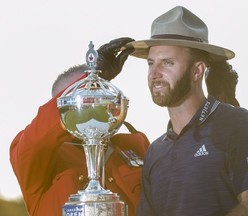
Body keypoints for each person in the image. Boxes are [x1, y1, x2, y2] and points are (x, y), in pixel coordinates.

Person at [122, 5, 248, 215]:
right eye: (151, 63)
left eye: (167, 62)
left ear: (197, 70)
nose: (155, 73)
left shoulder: (237, 124)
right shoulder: (155, 152)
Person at [9, 38, 150, 216]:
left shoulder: (134, 145)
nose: (92, 103)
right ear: (60, 104)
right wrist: (92, 77)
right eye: (82, 96)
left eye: (99, 91)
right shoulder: (39, 155)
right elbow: (37, 138)